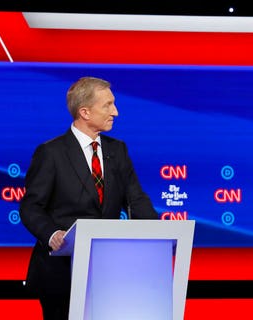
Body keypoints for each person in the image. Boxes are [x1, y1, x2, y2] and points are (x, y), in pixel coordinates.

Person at [19, 76, 159, 320]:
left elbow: (136, 199)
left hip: (108, 270)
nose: (115, 112)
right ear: (84, 112)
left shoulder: (118, 150)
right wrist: (52, 235)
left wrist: (158, 238)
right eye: (107, 105)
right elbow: (31, 207)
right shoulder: (51, 153)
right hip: (61, 272)